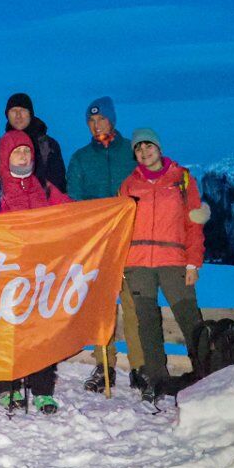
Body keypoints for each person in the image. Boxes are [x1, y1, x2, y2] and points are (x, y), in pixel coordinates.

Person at [118, 128, 211, 403]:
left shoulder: (181, 179)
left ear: (159, 148)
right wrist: (121, 261)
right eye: (138, 149)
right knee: (147, 322)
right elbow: (121, 225)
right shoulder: (129, 185)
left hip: (174, 261)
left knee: (189, 318)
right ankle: (156, 380)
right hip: (138, 264)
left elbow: (193, 225)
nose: (144, 153)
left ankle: (206, 374)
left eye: (149, 147)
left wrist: (194, 262)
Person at [66, 96, 143, 394]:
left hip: (132, 241)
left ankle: (140, 366)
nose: (97, 125)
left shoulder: (130, 152)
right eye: (92, 121)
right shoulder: (82, 158)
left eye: (102, 119)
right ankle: (104, 365)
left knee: (135, 306)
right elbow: (75, 199)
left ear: (112, 120)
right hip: (99, 244)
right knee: (101, 307)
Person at [0, 129, 72, 415]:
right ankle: (8, 385)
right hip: (8, 271)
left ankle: (41, 388)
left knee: (41, 330)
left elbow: (72, 215)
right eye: (17, 152)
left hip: (41, 271)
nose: (24, 156)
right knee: (8, 329)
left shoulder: (45, 188)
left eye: (27, 151)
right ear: (6, 156)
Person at [0, 92, 67, 193]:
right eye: (13, 111)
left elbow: (58, 185)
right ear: (7, 115)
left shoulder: (49, 146)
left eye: (22, 110)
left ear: (30, 113)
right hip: (10, 207)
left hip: (45, 206)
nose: (18, 115)